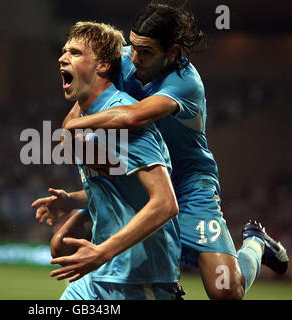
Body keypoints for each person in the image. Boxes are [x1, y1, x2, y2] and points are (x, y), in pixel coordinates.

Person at [60, 2, 288, 299]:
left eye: (146, 52)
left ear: (173, 53)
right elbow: (75, 117)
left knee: (225, 292)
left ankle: (256, 244)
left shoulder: (185, 83)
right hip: (149, 176)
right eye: (133, 46)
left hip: (190, 184)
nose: (134, 57)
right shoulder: (128, 60)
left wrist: (74, 130)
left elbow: (133, 117)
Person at [32, 21, 183, 300]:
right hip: (100, 278)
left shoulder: (122, 119)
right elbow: (124, 188)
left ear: (102, 66)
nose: (62, 57)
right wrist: (74, 200)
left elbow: (165, 204)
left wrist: (101, 252)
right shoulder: (82, 123)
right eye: (64, 51)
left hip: (141, 282)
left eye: (75, 53)